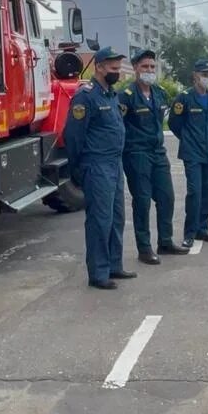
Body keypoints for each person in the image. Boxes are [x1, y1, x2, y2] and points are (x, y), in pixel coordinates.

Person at [65, 47, 137, 290]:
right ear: (99, 67)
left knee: (117, 218)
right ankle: (98, 273)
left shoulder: (111, 94)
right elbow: (74, 137)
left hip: (115, 164)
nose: (117, 72)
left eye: (118, 68)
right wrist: (79, 169)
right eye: (113, 68)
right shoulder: (85, 97)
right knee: (100, 220)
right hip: (96, 165)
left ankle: (114, 265)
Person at [118, 48, 189, 265]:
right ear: (136, 69)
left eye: (152, 67)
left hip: (158, 153)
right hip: (136, 154)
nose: (149, 70)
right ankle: (145, 247)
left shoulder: (159, 93)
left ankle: (165, 241)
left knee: (166, 197)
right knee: (142, 201)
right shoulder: (126, 96)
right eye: (144, 67)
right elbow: (119, 127)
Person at [169, 60, 208, 249]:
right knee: (195, 192)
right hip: (193, 153)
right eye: (204, 74)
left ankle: (203, 228)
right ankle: (189, 233)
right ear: (195, 76)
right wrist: (188, 139)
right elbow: (174, 123)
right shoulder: (184, 98)